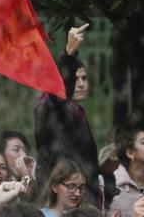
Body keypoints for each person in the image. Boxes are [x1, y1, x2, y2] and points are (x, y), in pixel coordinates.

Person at [33, 25, 100, 205]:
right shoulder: (48, 107)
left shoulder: (79, 114)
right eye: (74, 78)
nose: (80, 84)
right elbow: (56, 96)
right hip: (58, 201)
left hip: (82, 201)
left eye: (84, 79)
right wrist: (68, 54)